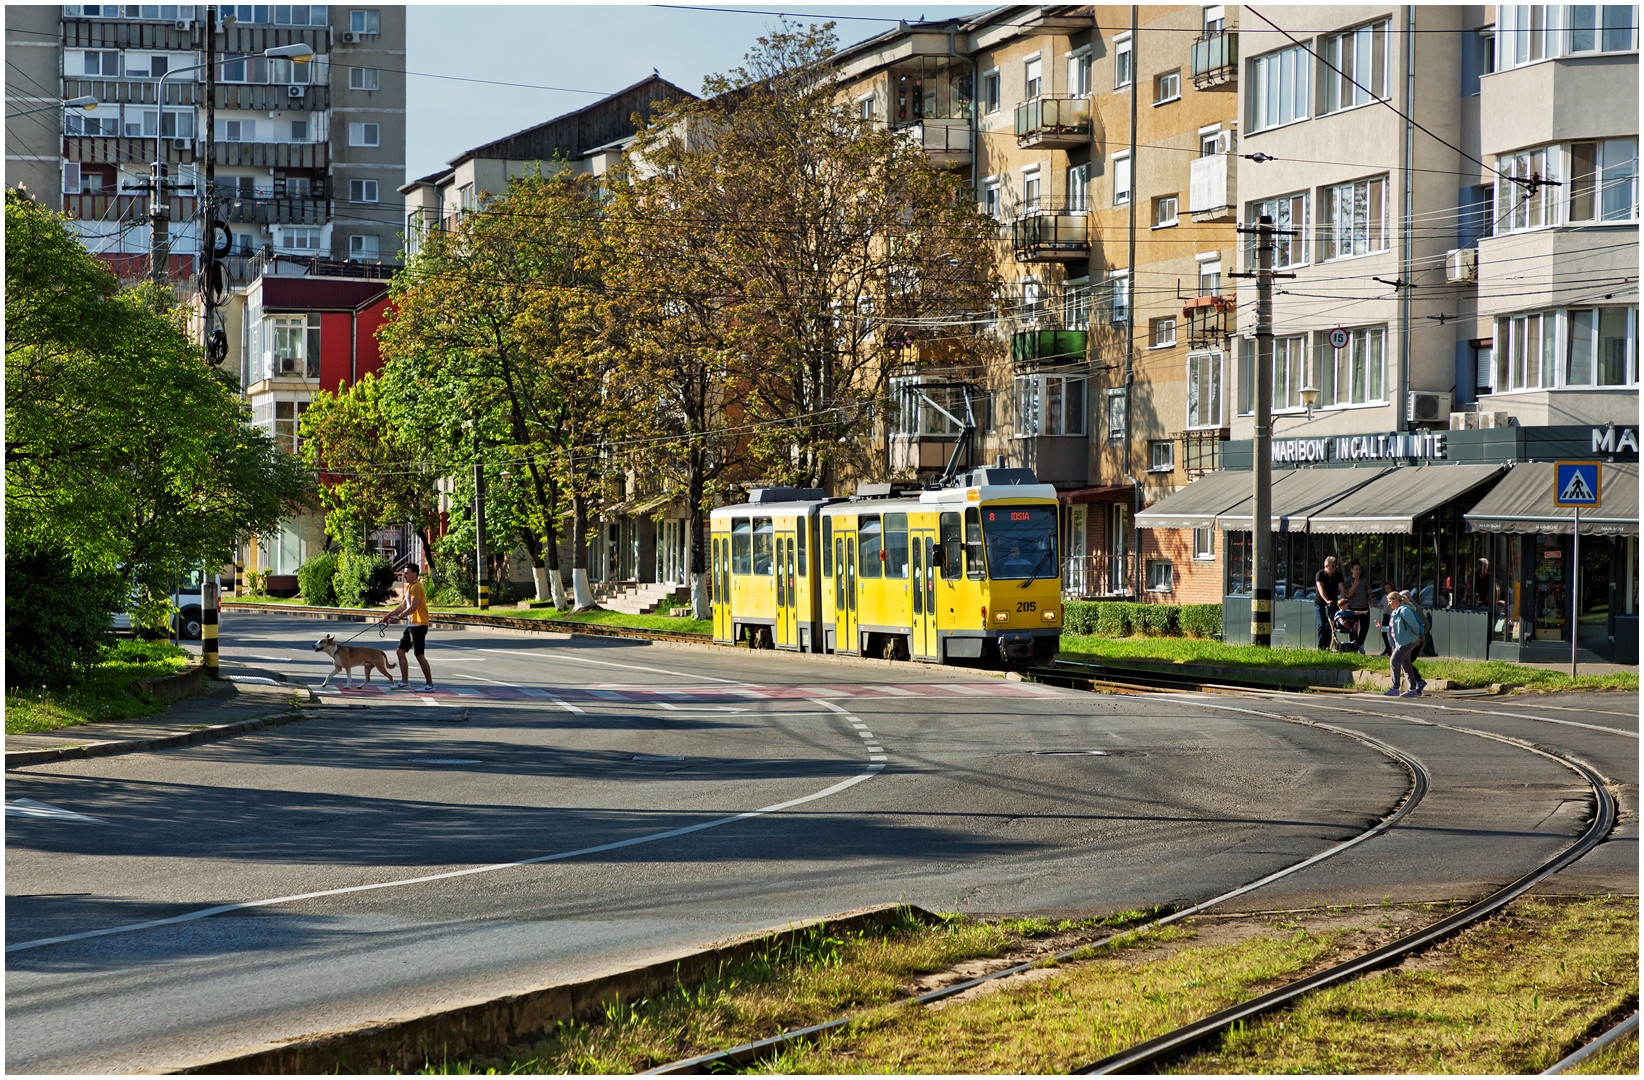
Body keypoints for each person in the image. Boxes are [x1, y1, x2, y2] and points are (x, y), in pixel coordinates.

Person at [379, 565, 433, 691]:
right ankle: (404, 681)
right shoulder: (410, 587)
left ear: (415, 574)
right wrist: (388, 615)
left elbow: (413, 606)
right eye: (404, 573)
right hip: (412, 625)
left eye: (407, 573)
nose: (405, 575)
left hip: (419, 625)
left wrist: (399, 618)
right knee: (400, 651)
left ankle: (430, 684)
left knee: (419, 655)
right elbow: (403, 606)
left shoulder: (417, 587)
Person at [1385, 591, 1428, 698]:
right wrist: (1383, 628)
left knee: (1394, 661)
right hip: (1400, 642)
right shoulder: (1395, 611)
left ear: (1396, 600)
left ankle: (1395, 688)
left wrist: (1418, 636)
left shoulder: (1404, 610)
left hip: (1406, 641)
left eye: (1390, 601)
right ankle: (1412, 689)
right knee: (1406, 663)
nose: (1388, 604)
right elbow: (1395, 628)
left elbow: (1414, 625)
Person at [1313, 555, 1342, 649]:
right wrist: (1327, 600)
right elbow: (1320, 588)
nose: (1334, 568)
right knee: (1321, 623)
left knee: (1329, 624)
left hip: (1333, 604)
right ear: (1326, 566)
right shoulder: (1320, 574)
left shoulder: (1337, 575)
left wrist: (1342, 600)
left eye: (1335, 566)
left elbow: (1342, 588)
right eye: (1332, 566)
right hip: (1320, 603)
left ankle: (1327, 646)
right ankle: (1320, 647)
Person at [1342, 560, 1371, 653]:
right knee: (1353, 629)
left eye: (1359, 569)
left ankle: (1360, 644)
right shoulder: (1348, 581)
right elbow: (1348, 594)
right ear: (1352, 570)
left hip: (1364, 607)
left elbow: (1369, 592)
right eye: (1356, 569)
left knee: (1364, 628)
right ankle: (1353, 646)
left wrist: (1372, 601)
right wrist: (1354, 586)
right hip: (1352, 608)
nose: (1358, 571)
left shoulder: (1365, 580)